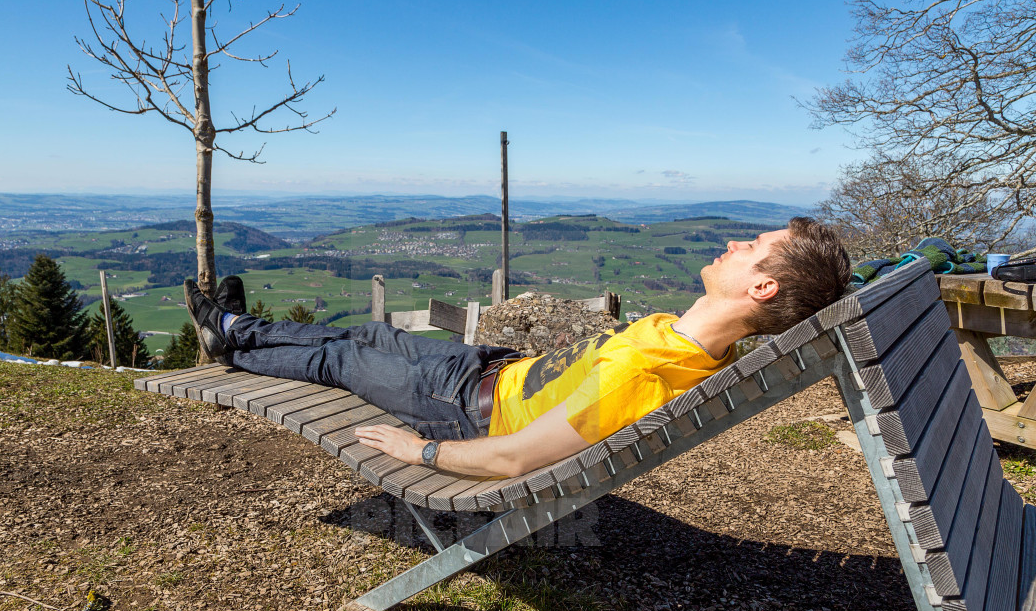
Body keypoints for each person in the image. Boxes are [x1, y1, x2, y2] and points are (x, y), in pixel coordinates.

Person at [183, 217, 850, 479]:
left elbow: (516, 456)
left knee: (341, 357)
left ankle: (231, 339)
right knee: (370, 333)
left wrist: (421, 450)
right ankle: (241, 329)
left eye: (752, 247)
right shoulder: (697, 345)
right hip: (485, 368)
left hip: (459, 409)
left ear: (762, 285)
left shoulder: (649, 371)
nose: (736, 243)